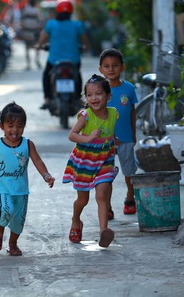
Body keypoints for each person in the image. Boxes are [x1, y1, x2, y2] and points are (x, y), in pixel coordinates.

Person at [0, 102, 55, 256]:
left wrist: (46, 175)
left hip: (21, 190)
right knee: (6, 209)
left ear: (24, 126)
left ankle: (13, 243)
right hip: (3, 188)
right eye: (10, 126)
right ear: (2, 126)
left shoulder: (27, 144)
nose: (14, 130)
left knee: (18, 221)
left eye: (19, 126)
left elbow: (37, 161)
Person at [63, 74, 118, 248]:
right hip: (85, 161)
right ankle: (76, 220)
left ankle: (103, 232)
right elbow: (72, 135)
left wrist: (114, 139)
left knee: (102, 194)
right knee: (83, 200)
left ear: (108, 96)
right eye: (89, 95)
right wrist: (87, 139)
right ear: (85, 97)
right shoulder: (85, 115)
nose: (94, 98)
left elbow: (109, 132)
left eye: (98, 94)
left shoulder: (113, 113)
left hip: (105, 159)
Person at [99, 48, 139, 216]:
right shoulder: (99, 90)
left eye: (115, 65)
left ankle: (130, 197)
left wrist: (134, 134)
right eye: (107, 66)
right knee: (107, 175)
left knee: (129, 172)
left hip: (125, 137)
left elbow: (132, 113)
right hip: (104, 141)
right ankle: (107, 206)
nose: (111, 69)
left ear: (122, 67)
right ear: (101, 69)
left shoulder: (129, 89)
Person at [34, 0, 90, 110]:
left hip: (54, 61)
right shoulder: (77, 25)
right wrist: (87, 47)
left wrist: (38, 46)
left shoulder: (51, 24)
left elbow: (43, 38)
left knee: (46, 75)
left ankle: (47, 99)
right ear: (70, 12)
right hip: (73, 60)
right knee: (77, 76)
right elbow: (85, 40)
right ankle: (78, 98)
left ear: (57, 11)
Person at [19, 0, 44, 70]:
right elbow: (40, 23)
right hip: (35, 33)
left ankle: (28, 64)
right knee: (37, 47)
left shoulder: (25, 11)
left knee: (27, 49)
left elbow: (22, 22)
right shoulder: (37, 11)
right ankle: (37, 61)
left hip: (26, 33)